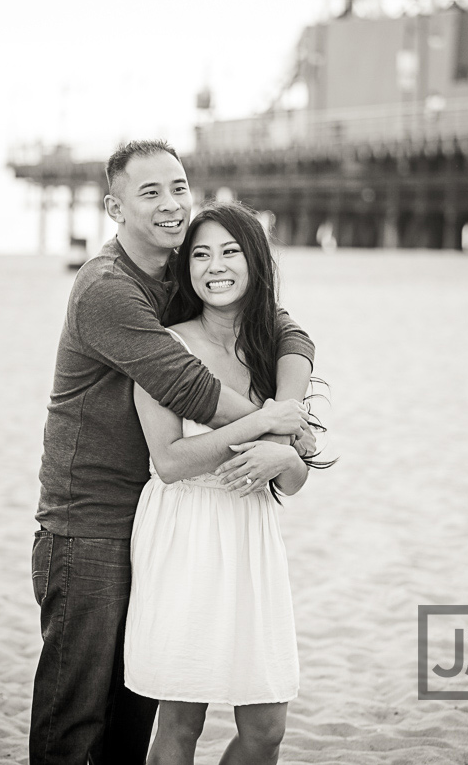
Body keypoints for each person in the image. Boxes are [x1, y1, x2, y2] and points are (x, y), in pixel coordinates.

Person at [29, 140, 316, 765]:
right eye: (150, 192)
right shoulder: (109, 289)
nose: (171, 204)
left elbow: (277, 321)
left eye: (179, 187)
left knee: (135, 710)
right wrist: (285, 428)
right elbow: (192, 390)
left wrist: (291, 401)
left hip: (153, 520)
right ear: (114, 206)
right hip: (89, 521)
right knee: (76, 717)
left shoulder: (175, 274)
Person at [125, 200, 332, 765]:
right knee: (181, 720)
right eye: (200, 254)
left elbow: (292, 480)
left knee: (267, 727)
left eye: (231, 251)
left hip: (252, 533)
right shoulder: (166, 345)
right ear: (186, 268)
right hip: (186, 527)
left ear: (256, 261)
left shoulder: (273, 352)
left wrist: (278, 459)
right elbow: (167, 461)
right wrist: (261, 424)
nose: (215, 266)